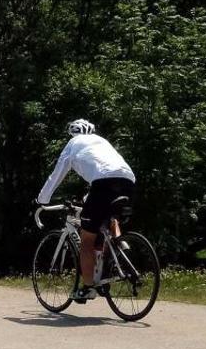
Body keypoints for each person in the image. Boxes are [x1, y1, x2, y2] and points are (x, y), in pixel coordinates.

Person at [36, 119, 136, 303]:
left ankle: (88, 288)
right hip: (128, 180)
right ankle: (118, 247)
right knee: (109, 217)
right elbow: (105, 171)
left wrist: (42, 199)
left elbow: (57, 174)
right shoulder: (102, 141)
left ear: (73, 133)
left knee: (87, 241)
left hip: (102, 183)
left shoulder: (73, 144)